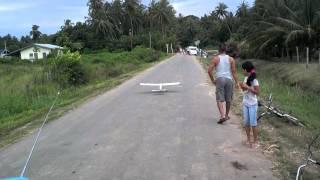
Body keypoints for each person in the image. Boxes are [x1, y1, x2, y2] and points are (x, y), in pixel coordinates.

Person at [208, 44, 240, 124]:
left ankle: (222, 116)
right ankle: (226, 115)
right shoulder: (231, 59)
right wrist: (237, 82)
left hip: (220, 79)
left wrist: (213, 80)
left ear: (219, 50)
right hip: (229, 79)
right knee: (228, 99)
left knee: (219, 98)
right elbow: (234, 72)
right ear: (226, 50)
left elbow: (209, 71)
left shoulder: (216, 59)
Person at [240, 61, 260, 148]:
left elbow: (257, 92)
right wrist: (242, 86)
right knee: (246, 122)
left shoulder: (255, 80)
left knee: (253, 123)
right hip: (245, 103)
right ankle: (248, 139)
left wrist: (248, 87)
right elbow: (244, 90)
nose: (242, 71)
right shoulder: (245, 78)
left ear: (245, 69)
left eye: (242, 70)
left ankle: (256, 141)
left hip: (253, 104)